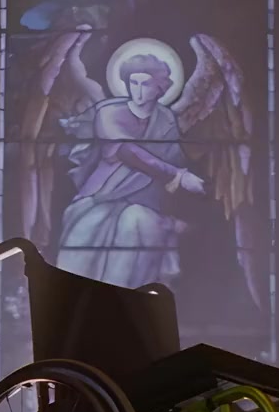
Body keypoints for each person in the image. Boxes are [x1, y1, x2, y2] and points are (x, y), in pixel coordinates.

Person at [54, 51, 207, 289]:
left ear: (159, 87)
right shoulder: (108, 112)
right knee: (86, 232)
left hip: (148, 203)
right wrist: (177, 176)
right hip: (102, 197)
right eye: (132, 83)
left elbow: (173, 161)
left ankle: (123, 298)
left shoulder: (166, 119)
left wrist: (174, 207)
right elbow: (128, 151)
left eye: (145, 84)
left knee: (139, 223)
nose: (137, 90)